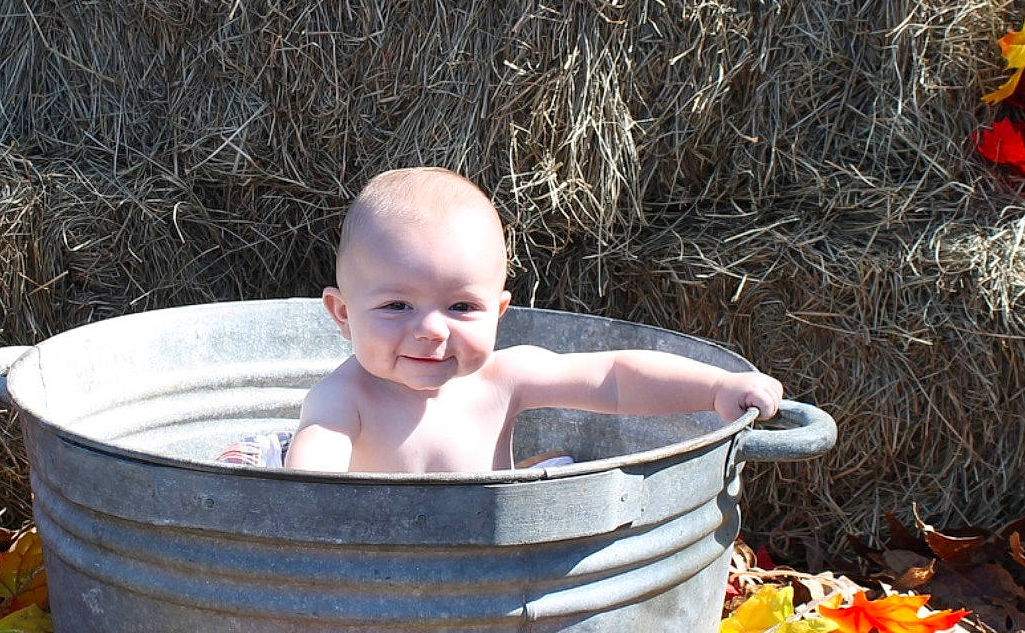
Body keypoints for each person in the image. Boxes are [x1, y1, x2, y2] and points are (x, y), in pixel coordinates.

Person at [283, 167, 784, 473]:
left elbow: (614, 379)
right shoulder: (344, 398)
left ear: (499, 312)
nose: (432, 329)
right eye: (397, 305)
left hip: (492, 580)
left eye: (461, 307)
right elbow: (311, 487)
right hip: (374, 588)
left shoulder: (504, 378)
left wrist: (717, 386)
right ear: (343, 314)